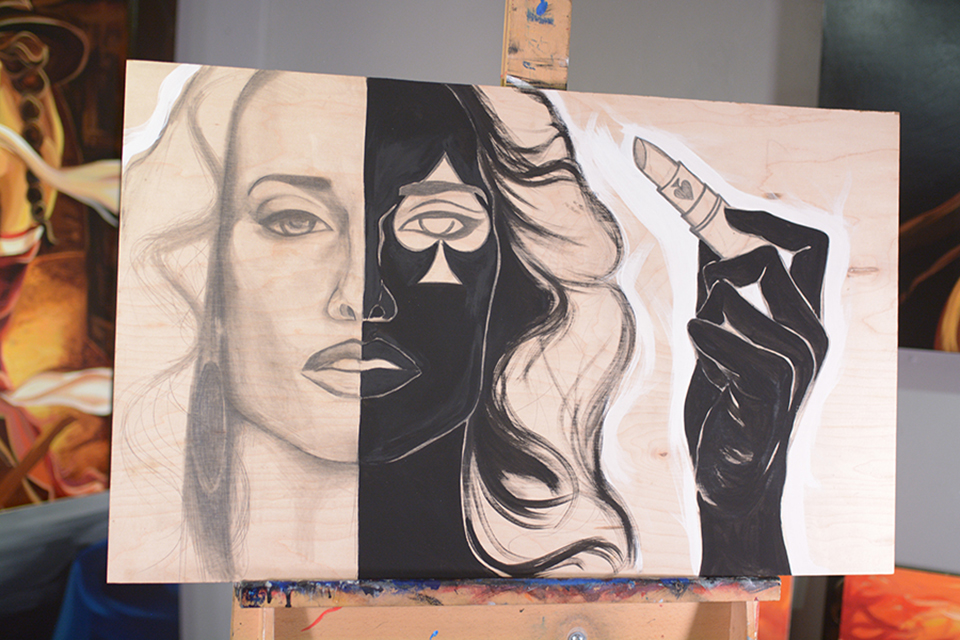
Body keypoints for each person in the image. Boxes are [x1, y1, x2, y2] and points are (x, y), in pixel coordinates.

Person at [115, 65, 827, 580]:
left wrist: (739, 523)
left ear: (515, 293)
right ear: (206, 273)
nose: (363, 297)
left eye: (438, 224)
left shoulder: (574, 573)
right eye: (294, 220)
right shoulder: (148, 561)